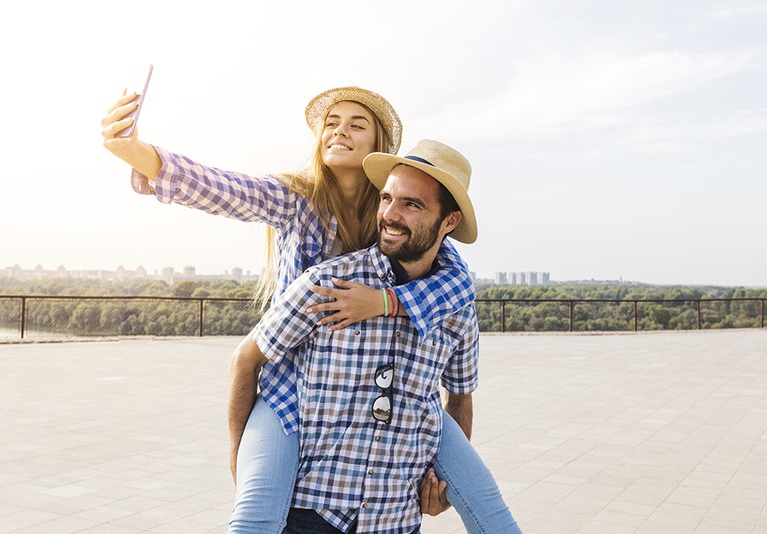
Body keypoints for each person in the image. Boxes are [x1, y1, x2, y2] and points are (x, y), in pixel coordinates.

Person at [101, 85, 514, 533]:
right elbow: (226, 190)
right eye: (331, 123)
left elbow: (457, 289)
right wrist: (143, 156)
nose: (339, 131)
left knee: (488, 507)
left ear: (379, 146)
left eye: (356, 125)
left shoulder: (409, 231)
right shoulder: (298, 199)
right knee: (256, 512)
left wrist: (385, 301)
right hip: (290, 389)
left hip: (383, 400)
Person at [229, 139, 518, 533]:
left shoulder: (456, 307)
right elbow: (246, 359)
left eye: (411, 204)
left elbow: (460, 396)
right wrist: (240, 458)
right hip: (311, 514)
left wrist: (439, 481)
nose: (391, 214)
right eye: (386, 198)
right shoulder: (329, 284)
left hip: (395, 518)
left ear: (449, 221)